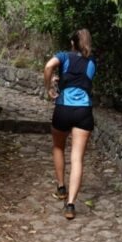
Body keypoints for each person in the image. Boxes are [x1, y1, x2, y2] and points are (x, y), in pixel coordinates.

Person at [44, 28, 96, 220]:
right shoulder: (92, 61)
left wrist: (49, 87)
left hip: (63, 108)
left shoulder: (64, 56)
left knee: (58, 146)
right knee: (77, 158)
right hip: (84, 112)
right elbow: (83, 81)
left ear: (73, 43)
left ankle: (61, 188)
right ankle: (71, 205)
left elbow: (49, 66)